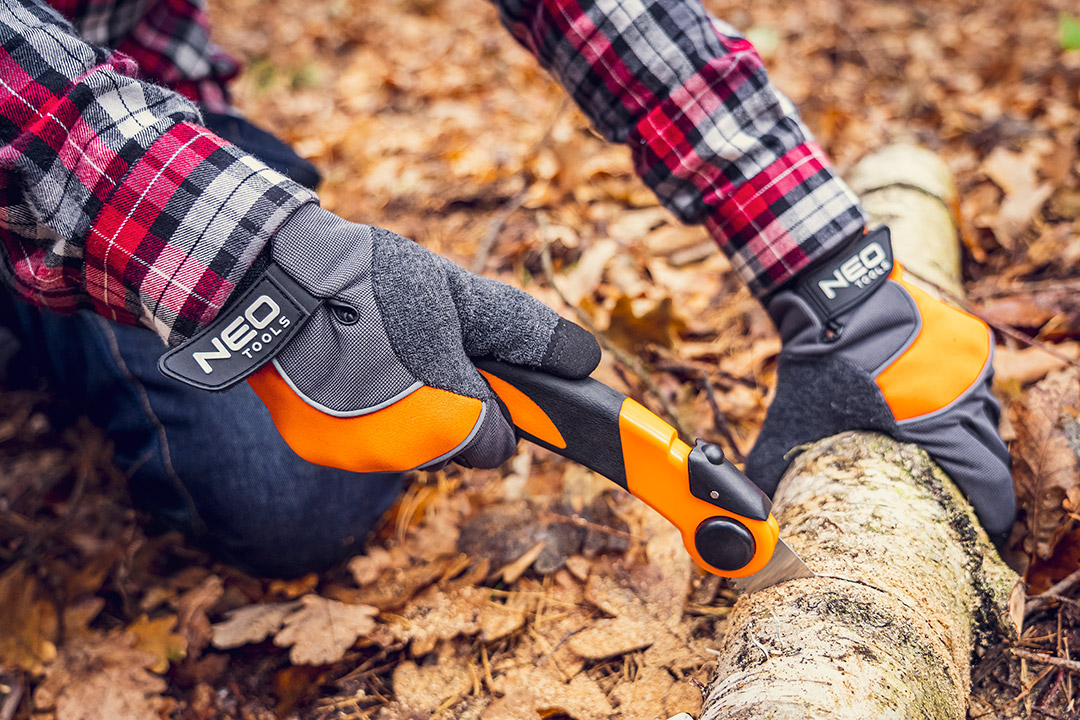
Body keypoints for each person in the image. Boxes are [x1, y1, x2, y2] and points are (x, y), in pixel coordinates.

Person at [0, 0, 1015, 577]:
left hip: (141, 116)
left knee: (292, 493)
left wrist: (826, 263)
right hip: (70, 145)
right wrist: (261, 265)